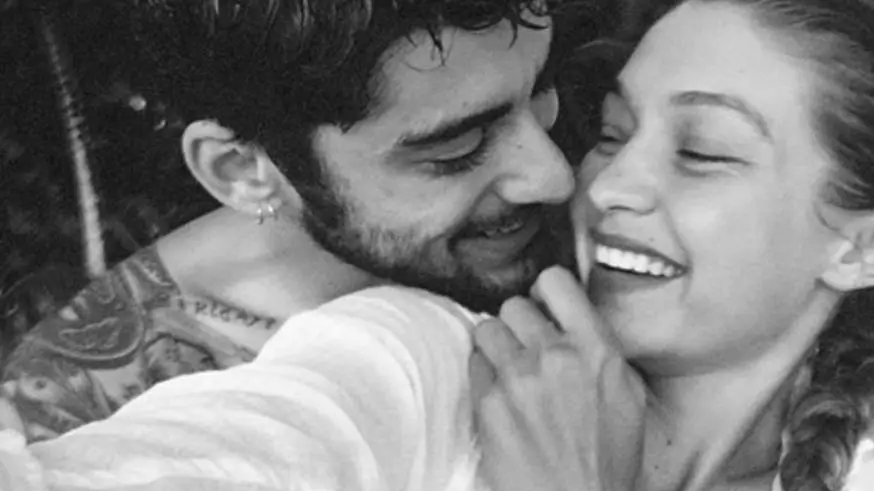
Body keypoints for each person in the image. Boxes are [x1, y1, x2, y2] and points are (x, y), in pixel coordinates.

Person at [0, 0, 874, 491]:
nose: (575, 178)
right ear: (245, 176)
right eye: (616, 131)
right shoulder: (418, 360)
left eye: (703, 150)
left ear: (867, 245)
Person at [0, 0, 586, 442]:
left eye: (542, 90)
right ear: (241, 173)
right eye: (458, 148)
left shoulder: (611, 175)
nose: (555, 177)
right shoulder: (79, 419)